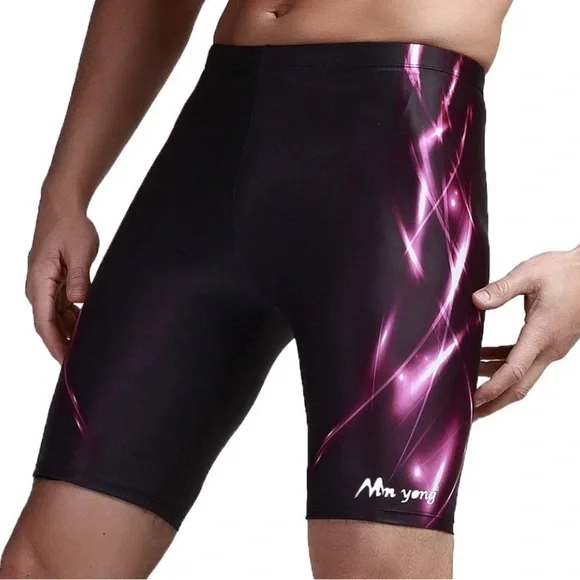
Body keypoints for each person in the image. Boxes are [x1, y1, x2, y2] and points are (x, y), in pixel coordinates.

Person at [1, 0, 579, 578]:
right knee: (44, 565)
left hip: (402, 173)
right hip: (208, 157)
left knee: (381, 566)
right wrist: (66, 189)